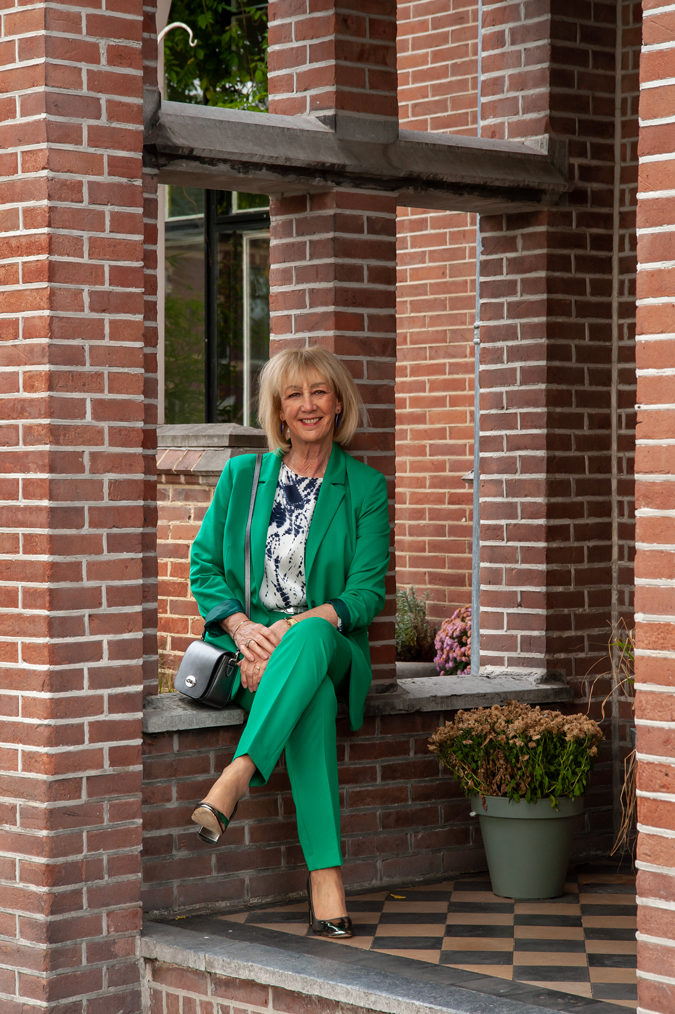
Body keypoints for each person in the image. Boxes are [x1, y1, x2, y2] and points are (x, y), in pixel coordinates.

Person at [189, 346, 391, 938]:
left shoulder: (365, 487)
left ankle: (237, 775)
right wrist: (246, 630)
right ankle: (325, 876)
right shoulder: (243, 478)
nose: (308, 405)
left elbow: (365, 594)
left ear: (338, 405)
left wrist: (295, 628)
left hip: (329, 644)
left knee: (308, 639)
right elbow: (204, 566)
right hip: (254, 650)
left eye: (319, 392)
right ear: (278, 409)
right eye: (294, 394)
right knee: (314, 705)